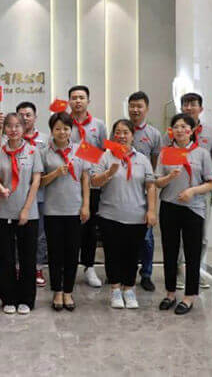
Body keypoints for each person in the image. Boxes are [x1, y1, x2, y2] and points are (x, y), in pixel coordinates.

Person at [90, 119, 156, 309]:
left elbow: (150, 185)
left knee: (132, 255)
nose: (121, 136)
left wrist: (151, 210)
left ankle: (129, 288)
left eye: (126, 132)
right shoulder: (105, 157)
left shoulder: (142, 159)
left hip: (137, 215)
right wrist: (108, 173)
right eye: (118, 132)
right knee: (112, 254)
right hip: (110, 215)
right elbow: (94, 182)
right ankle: (115, 289)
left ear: (133, 136)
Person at [154, 114, 212, 315]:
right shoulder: (166, 152)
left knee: (192, 252)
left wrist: (193, 191)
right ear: (171, 131)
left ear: (192, 130)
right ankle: (170, 293)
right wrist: (169, 177)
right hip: (169, 206)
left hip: (194, 209)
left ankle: (189, 296)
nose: (180, 130)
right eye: (176, 127)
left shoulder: (202, 153)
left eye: (184, 126)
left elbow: (210, 183)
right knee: (170, 251)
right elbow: (157, 182)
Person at [0, 113, 43, 315]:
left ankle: (26, 299)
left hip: (28, 212)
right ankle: (8, 298)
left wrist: (26, 209)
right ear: (4, 129)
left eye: (17, 126)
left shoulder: (33, 151)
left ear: (24, 128)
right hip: (2, 211)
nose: (13, 130)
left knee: (27, 258)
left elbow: (36, 181)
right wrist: (0, 188)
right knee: (6, 258)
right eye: (9, 126)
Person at [39, 112, 90, 311]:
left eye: (66, 128)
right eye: (58, 128)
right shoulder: (44, 152)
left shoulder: (81, 149)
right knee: (55, 253)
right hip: (52, 210)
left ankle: (68, 291)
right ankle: (57, 291)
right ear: (52, 130)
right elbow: (40, 182)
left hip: (75, 209)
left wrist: (86, 205)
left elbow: (85, 179)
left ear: (72, 130)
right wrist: (55, 173)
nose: (62, 132)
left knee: (72, 252)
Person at [180, 93, 212, 289]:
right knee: (179, 235)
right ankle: (179, 271)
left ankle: (195, 271)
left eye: (193, 104)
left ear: (201, 108)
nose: (189, 108)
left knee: (202, 235)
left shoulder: (211, 133)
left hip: (203, 190)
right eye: (185, 104)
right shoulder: (172, 132)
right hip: (178, 191)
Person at [68, 85, 108, 288]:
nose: (78, 101)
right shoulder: (63, 123)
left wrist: (84, 154)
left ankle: (89, 266)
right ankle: (68, 267)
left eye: (81, 97)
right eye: (74, 97)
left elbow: (104, 153)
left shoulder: (98, 125)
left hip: (92, 183)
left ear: (88, 101)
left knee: (90, 226)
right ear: (69, 101)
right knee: (71, 226)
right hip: (69, 183)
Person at [128, 91, 162, 292]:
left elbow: (155, 164)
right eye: (132, 106)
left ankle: (146, 274)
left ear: (146, 108)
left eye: (139, 106)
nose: (135, 109)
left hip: (144, 190)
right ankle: (125, 272)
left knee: (147, 237)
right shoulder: (120, 129)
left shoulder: (154, 134)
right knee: (124, 236)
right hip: (123, 190)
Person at [16, 101, 49, 287]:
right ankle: (19, 266)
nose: (25, 118)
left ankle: (37, 267)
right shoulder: (11, 137)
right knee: (18, 233)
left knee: (39, 234)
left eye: (28, 115)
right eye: (21, 115)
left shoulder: (45, 139)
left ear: (35, 117)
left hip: (40, 193)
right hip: (17, 194)